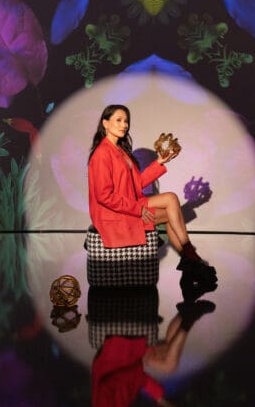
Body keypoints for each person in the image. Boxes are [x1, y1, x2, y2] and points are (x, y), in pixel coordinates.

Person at [87, 104, 215, 277]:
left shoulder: (120, 151)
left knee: (171, 199)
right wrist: (138, 209)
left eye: (126, 121)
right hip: (113, 214)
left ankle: (188, 256)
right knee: (170, 213)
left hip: (127, 204)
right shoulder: (102, 154)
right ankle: (190, 256)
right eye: (118, 120)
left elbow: (136, 184)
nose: (124, 125)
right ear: (105, 123)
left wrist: (159, 162)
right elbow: (103, 196)